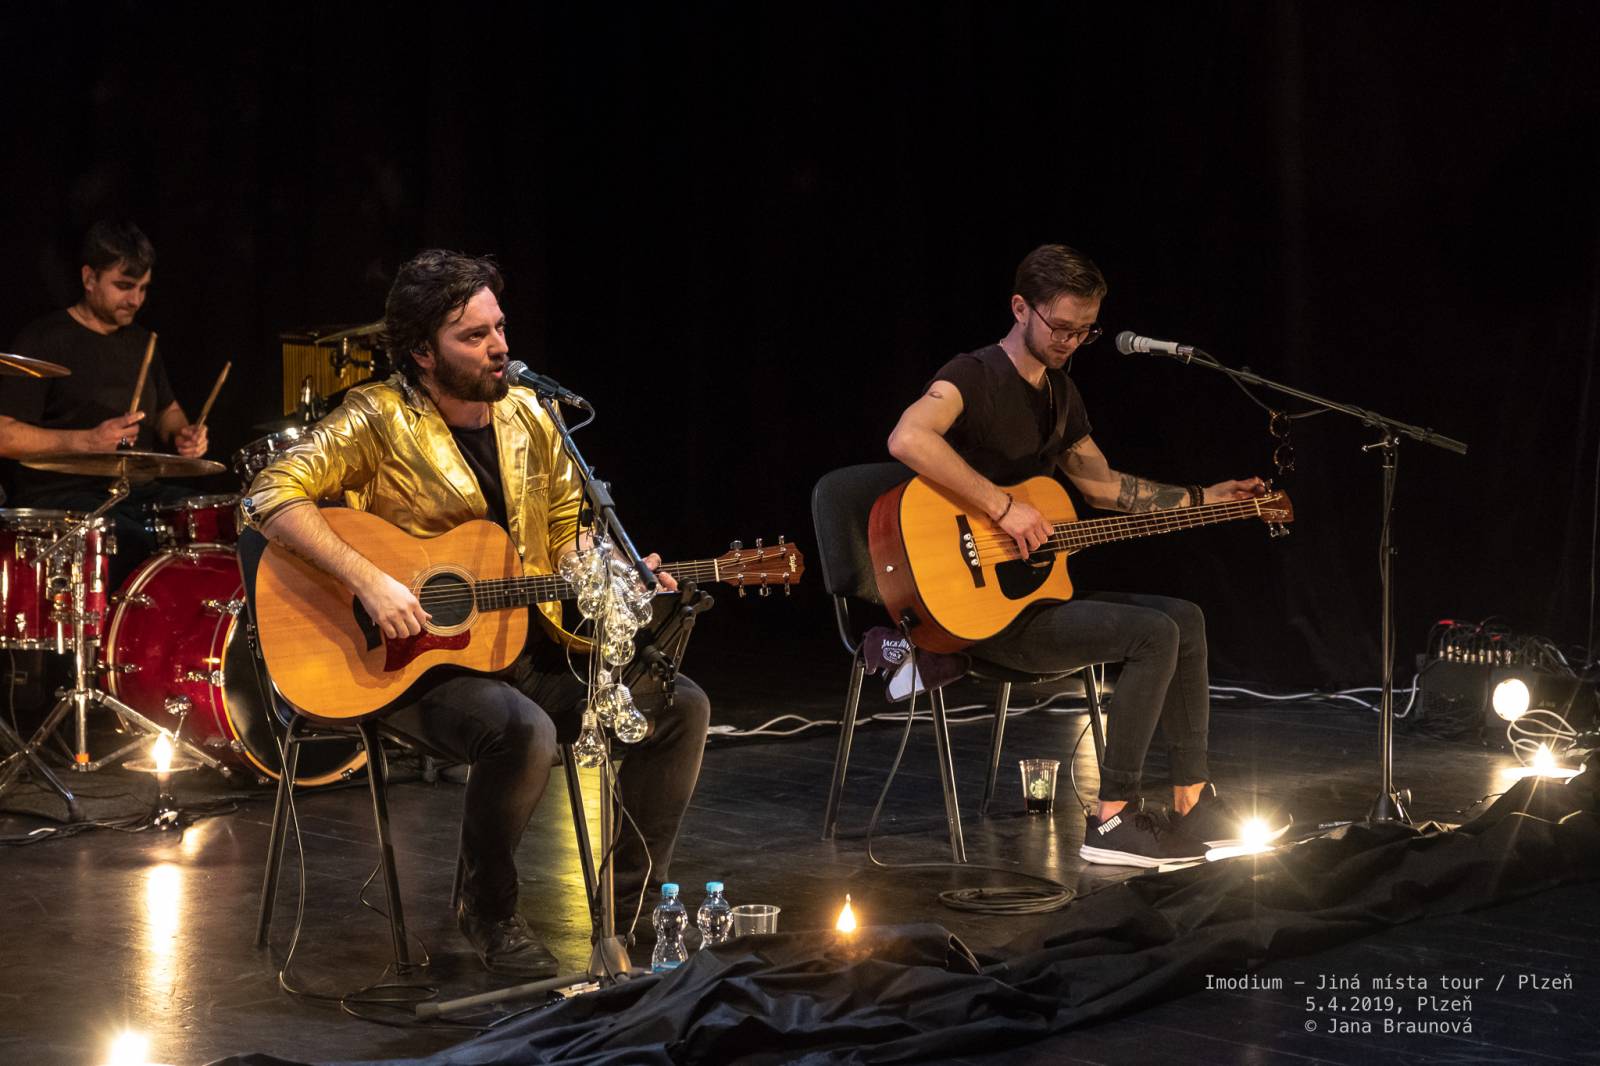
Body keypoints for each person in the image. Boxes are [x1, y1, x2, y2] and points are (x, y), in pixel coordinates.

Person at [244, 249, 709, 977]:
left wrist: (610, 570)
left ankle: (632, 910)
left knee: (680, 706)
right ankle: (486, 910)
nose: (499, 347)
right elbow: (269, 495)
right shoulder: (376, 418)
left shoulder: (532, 415)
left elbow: (566, 529)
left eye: (500, 328)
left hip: (520, 641)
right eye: (474, 335)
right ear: (423, 352)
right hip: (402, 663)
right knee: (522, 732)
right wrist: (370, 580)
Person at [887, 243, 1274, 867]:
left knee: (1186, 618)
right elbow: (908, 437)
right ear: (1021, 308)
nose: (1070, 342)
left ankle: (1191, 800)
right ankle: (1111, 817)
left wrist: (1205, 497)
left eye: (1084, 332)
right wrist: (1003, 508)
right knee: (1152, 634)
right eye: (1061, 327)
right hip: (975, 613)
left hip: (1028, 597)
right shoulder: (972, 376)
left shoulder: (1060, 395)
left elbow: (1103, 487)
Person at [0, 221, 210, 584]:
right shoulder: (45, 339)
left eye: (143, 288)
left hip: (137, 491)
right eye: (124, 286)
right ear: (89, 278)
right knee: (130, 539)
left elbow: (168, 411)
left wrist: (184, 433)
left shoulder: (143, 341)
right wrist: (86, 441)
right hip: (64, 495)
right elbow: (4, 435)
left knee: (215, 520)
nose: (136, 300)